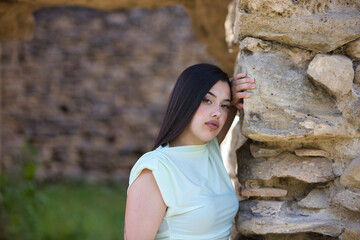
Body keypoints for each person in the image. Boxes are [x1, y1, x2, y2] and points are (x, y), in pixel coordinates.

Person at [124, 63, 255, 239]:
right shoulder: (156, 170)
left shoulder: (209, 150)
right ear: (185, 100)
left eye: (224, 105)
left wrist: (233, 90)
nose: (217, 112)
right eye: (207, 100)